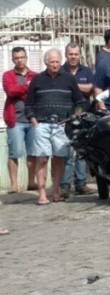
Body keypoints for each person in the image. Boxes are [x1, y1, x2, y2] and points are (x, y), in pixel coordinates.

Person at [25, 48, 85, 205]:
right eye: (52, 62)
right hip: (42, 124)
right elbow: (29, 104)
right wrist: (34, 122)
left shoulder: (69, 79)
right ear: (46, 63)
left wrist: (73, 118)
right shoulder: (37, 79)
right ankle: (42, 193)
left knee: (59, 159)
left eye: (57, 61)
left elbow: (79, 101)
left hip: (62, 125)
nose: (55, 64)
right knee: (42, 159)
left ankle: (56, 190)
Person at [59, 43, 96, 199]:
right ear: (66, 55)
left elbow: (91, 89)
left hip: (83, 117)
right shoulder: (59, 71)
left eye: (76, 54)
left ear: (79, 55)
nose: (73, 57)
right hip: (65, 117)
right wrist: (80, 86)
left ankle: (81, 183)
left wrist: (72, 84)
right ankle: (64, 186)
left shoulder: (86, 71)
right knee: (67, 152)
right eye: (70, 54)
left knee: (82, 152)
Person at [3, 46, 37, 193]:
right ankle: (14, 185)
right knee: (14, 153)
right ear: (12, 59)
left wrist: (21, 89)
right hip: (15, 120)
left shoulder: (34, 76)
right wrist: (26, 87)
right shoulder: (8, 75)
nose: (19, 60)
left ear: (26, 57)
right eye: (16, 58)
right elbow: (10, 91)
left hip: (32, 120)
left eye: (22, 57)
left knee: (33, 153)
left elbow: (34, 95)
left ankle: (31, 182)